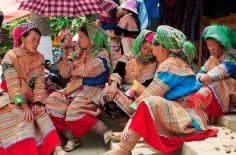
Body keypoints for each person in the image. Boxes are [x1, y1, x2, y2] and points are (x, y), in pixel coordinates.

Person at [105, 25, 217, 155]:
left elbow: (149, 96)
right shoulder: (174, 61)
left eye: (154, 47)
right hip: (188, 113)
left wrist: (131, 122)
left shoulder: (169, 64)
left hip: (189, 118)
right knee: (148, 103)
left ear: (162, 48)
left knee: (149, 103)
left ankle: (124, 148)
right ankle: (130, 135)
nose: (152, 51)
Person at [0, 22, 67, 155]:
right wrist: (25, 107)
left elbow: (40, 84)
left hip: (29, 95)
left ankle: (57, 148)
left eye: (38, 40)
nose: (36, 43)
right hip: (9, 95)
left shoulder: (39, 57)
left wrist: (37, 102)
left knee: (39, 111)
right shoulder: (10, 56)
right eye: (33, 39)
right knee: (22, 117)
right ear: (23, 39)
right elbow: (13, 85)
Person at [45, 22, 112, 151]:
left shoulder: (102, 54)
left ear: (91, 38)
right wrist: (65, 54)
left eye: (81, 36)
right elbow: (65, 74)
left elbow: (89, 70)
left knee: (73, 113)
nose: (78, 39)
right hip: (74, 89)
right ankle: (72, 138)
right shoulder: (79, 53)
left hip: (92, 92)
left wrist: (72, 69)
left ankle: (106, 131)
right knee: (51, 101)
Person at [102, 30, 157, 120]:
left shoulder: (154, 63)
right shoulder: (129, 56)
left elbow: (148, 86)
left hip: (141, 94)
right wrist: (114, 85)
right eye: (145, 48)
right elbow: (118, 71)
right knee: (110, 94)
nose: (146, 52)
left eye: (151, 50)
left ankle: (131, 121)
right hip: (124, 88)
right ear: (139, 44)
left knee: (135, 108)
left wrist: (136, 97)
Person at [197, 25, 236, 118]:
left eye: (213, 45)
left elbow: (221, 71)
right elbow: (203, 69)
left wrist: (205, 78)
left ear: (222, 44)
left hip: (233, 95)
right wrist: (198, 76)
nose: (211, 49)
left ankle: (218, 110)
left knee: (214, 83)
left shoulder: (232, 58)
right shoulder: (212, 58)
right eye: (208, 45)